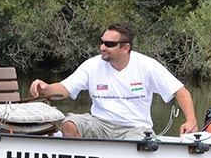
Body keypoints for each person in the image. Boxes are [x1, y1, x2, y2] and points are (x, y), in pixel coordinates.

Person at [28, 22, 197, 139]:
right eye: (102, 42)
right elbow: (64, 88)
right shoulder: (92, 65)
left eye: (109, 44)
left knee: (139, 140)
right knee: (70, 124)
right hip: (99, 123)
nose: (102, 47)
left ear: (125, 48)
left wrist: (191, 121)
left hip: (135, 128)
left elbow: (181, 93)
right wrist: (44, 88)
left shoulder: (147, 65)